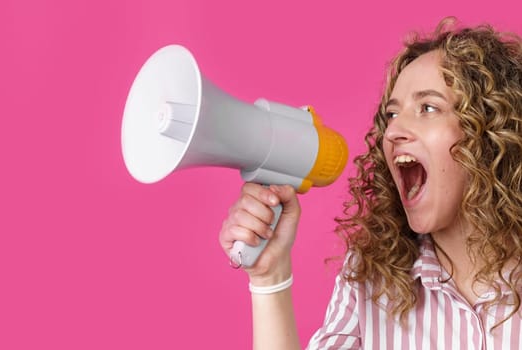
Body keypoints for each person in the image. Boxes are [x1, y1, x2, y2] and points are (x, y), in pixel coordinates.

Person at [218, 17, 522, 349]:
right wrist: (269, 277)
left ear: (493, 135)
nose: (393, 131)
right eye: (391, 115)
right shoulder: (370, 279)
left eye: (428, 107)